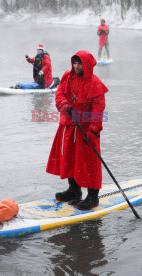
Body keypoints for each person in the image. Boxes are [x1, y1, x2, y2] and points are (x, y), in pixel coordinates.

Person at [46, 50, 109, 210]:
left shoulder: (94, 82)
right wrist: (63, 104)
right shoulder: (67, 76)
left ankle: (93, 197)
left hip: (86, 130)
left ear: (86, 64)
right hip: (68, 126)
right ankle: (74, 191)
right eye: (74, 62)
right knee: (70, 159)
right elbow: (60, 94)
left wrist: (94, 129)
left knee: (89, 164)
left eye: (80, 63)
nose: (76, 66)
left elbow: (98, 108)